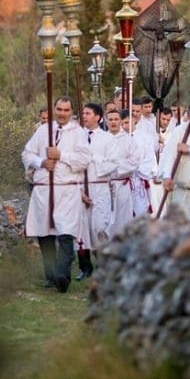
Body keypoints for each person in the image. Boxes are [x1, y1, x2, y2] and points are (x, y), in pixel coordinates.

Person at [22, 97, 90, 292]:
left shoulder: (78, 133)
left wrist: (61, 156)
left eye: (66, 110)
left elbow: (84, 159)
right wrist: (42, 162)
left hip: (67, 189)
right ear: (54, 110)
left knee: (66, 233)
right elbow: (27, 154)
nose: (62, 113)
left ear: (71, 111)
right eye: (59, 109)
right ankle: (51, 276)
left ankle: (62, 276)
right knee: (44, 234)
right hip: (44, 189)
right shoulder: (43, 130)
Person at [76, 103, 115, 280]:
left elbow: (113, 163)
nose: (84, 116)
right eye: (83, 113)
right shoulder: (76, 138)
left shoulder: (108, 139)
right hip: (80, 186)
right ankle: (85, 267)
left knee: (99, 226)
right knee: (81, 229)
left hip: (99, 186)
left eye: (88, 113)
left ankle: (103, 264)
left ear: (98, 117)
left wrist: (92, 159)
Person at [105, 108, 141, 237]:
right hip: (104, 185)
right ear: (106, 121)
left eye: (116, 119)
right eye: (110, 119)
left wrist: (115, 168)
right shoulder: (101, 139)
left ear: (120, 121)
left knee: (122, 217)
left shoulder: (128, 140)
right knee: (106, 218)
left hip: (122, 184)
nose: (113, 122)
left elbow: (135, 161)